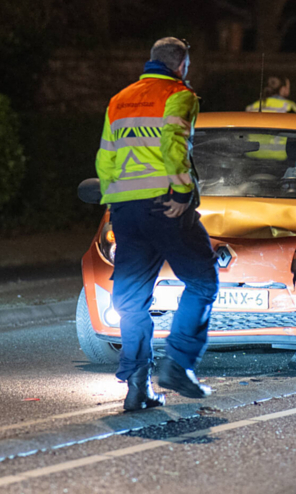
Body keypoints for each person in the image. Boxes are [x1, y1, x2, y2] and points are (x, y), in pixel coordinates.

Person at [95, 37, 219, 411]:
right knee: (202, 281)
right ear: (182, 65)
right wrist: (181, 193)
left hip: (126, 211)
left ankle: (137, 385)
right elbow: (173, 144)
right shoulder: (179, 94)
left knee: (131, 300)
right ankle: (178, 365)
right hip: (165, 206)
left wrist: (115, 200)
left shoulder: (119, 99)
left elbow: (105, 158)